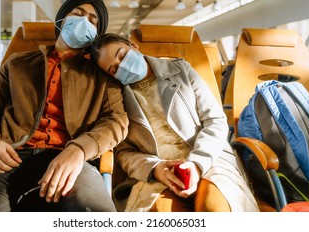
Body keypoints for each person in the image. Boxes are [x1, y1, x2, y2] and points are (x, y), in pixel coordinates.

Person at [0, 0, 128, 212]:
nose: (84, 22)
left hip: (71, 162)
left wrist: (80, 151)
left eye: (93, 21)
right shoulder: (17, 64)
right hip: (7, 158)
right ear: (62, 18)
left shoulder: (101, 75)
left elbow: (116, 121)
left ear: (96, 35)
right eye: (78, 13)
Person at [89, 33, 259, 212]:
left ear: (133, 45)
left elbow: (215, 120)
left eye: (122, 55)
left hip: (209, 159)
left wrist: (197, 164)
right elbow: (124, 152)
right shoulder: (117, 99)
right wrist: (155, 169)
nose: (121, 66)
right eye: (113, 70)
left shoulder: (181, 70)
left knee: (213, 209)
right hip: (159, 173)